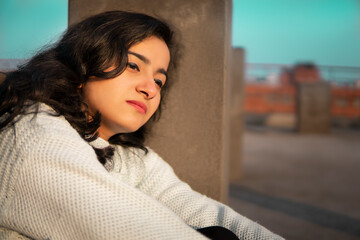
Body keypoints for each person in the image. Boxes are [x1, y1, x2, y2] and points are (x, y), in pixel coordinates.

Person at [0, 11, 283, 240]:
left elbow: (207, 213)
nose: (150, 89)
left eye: (160, 81)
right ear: (82, 65)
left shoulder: (132, 159)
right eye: (134, 66)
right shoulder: (32, 133)